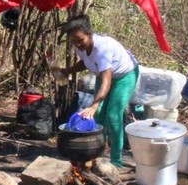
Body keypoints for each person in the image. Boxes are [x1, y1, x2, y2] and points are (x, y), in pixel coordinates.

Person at [55, 15, 139, 167]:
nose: (77, 44)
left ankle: (116, 161)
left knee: (113, 116)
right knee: (98, 116)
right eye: (74, 41)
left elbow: (107, 82)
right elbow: (86, 62)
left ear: (90, 34)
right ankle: (97, 154)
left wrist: (94, 105)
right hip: (103, 74)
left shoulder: (102, 49)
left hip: (124, 76)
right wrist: (68, 70)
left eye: (80, 40)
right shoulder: (81, 46)